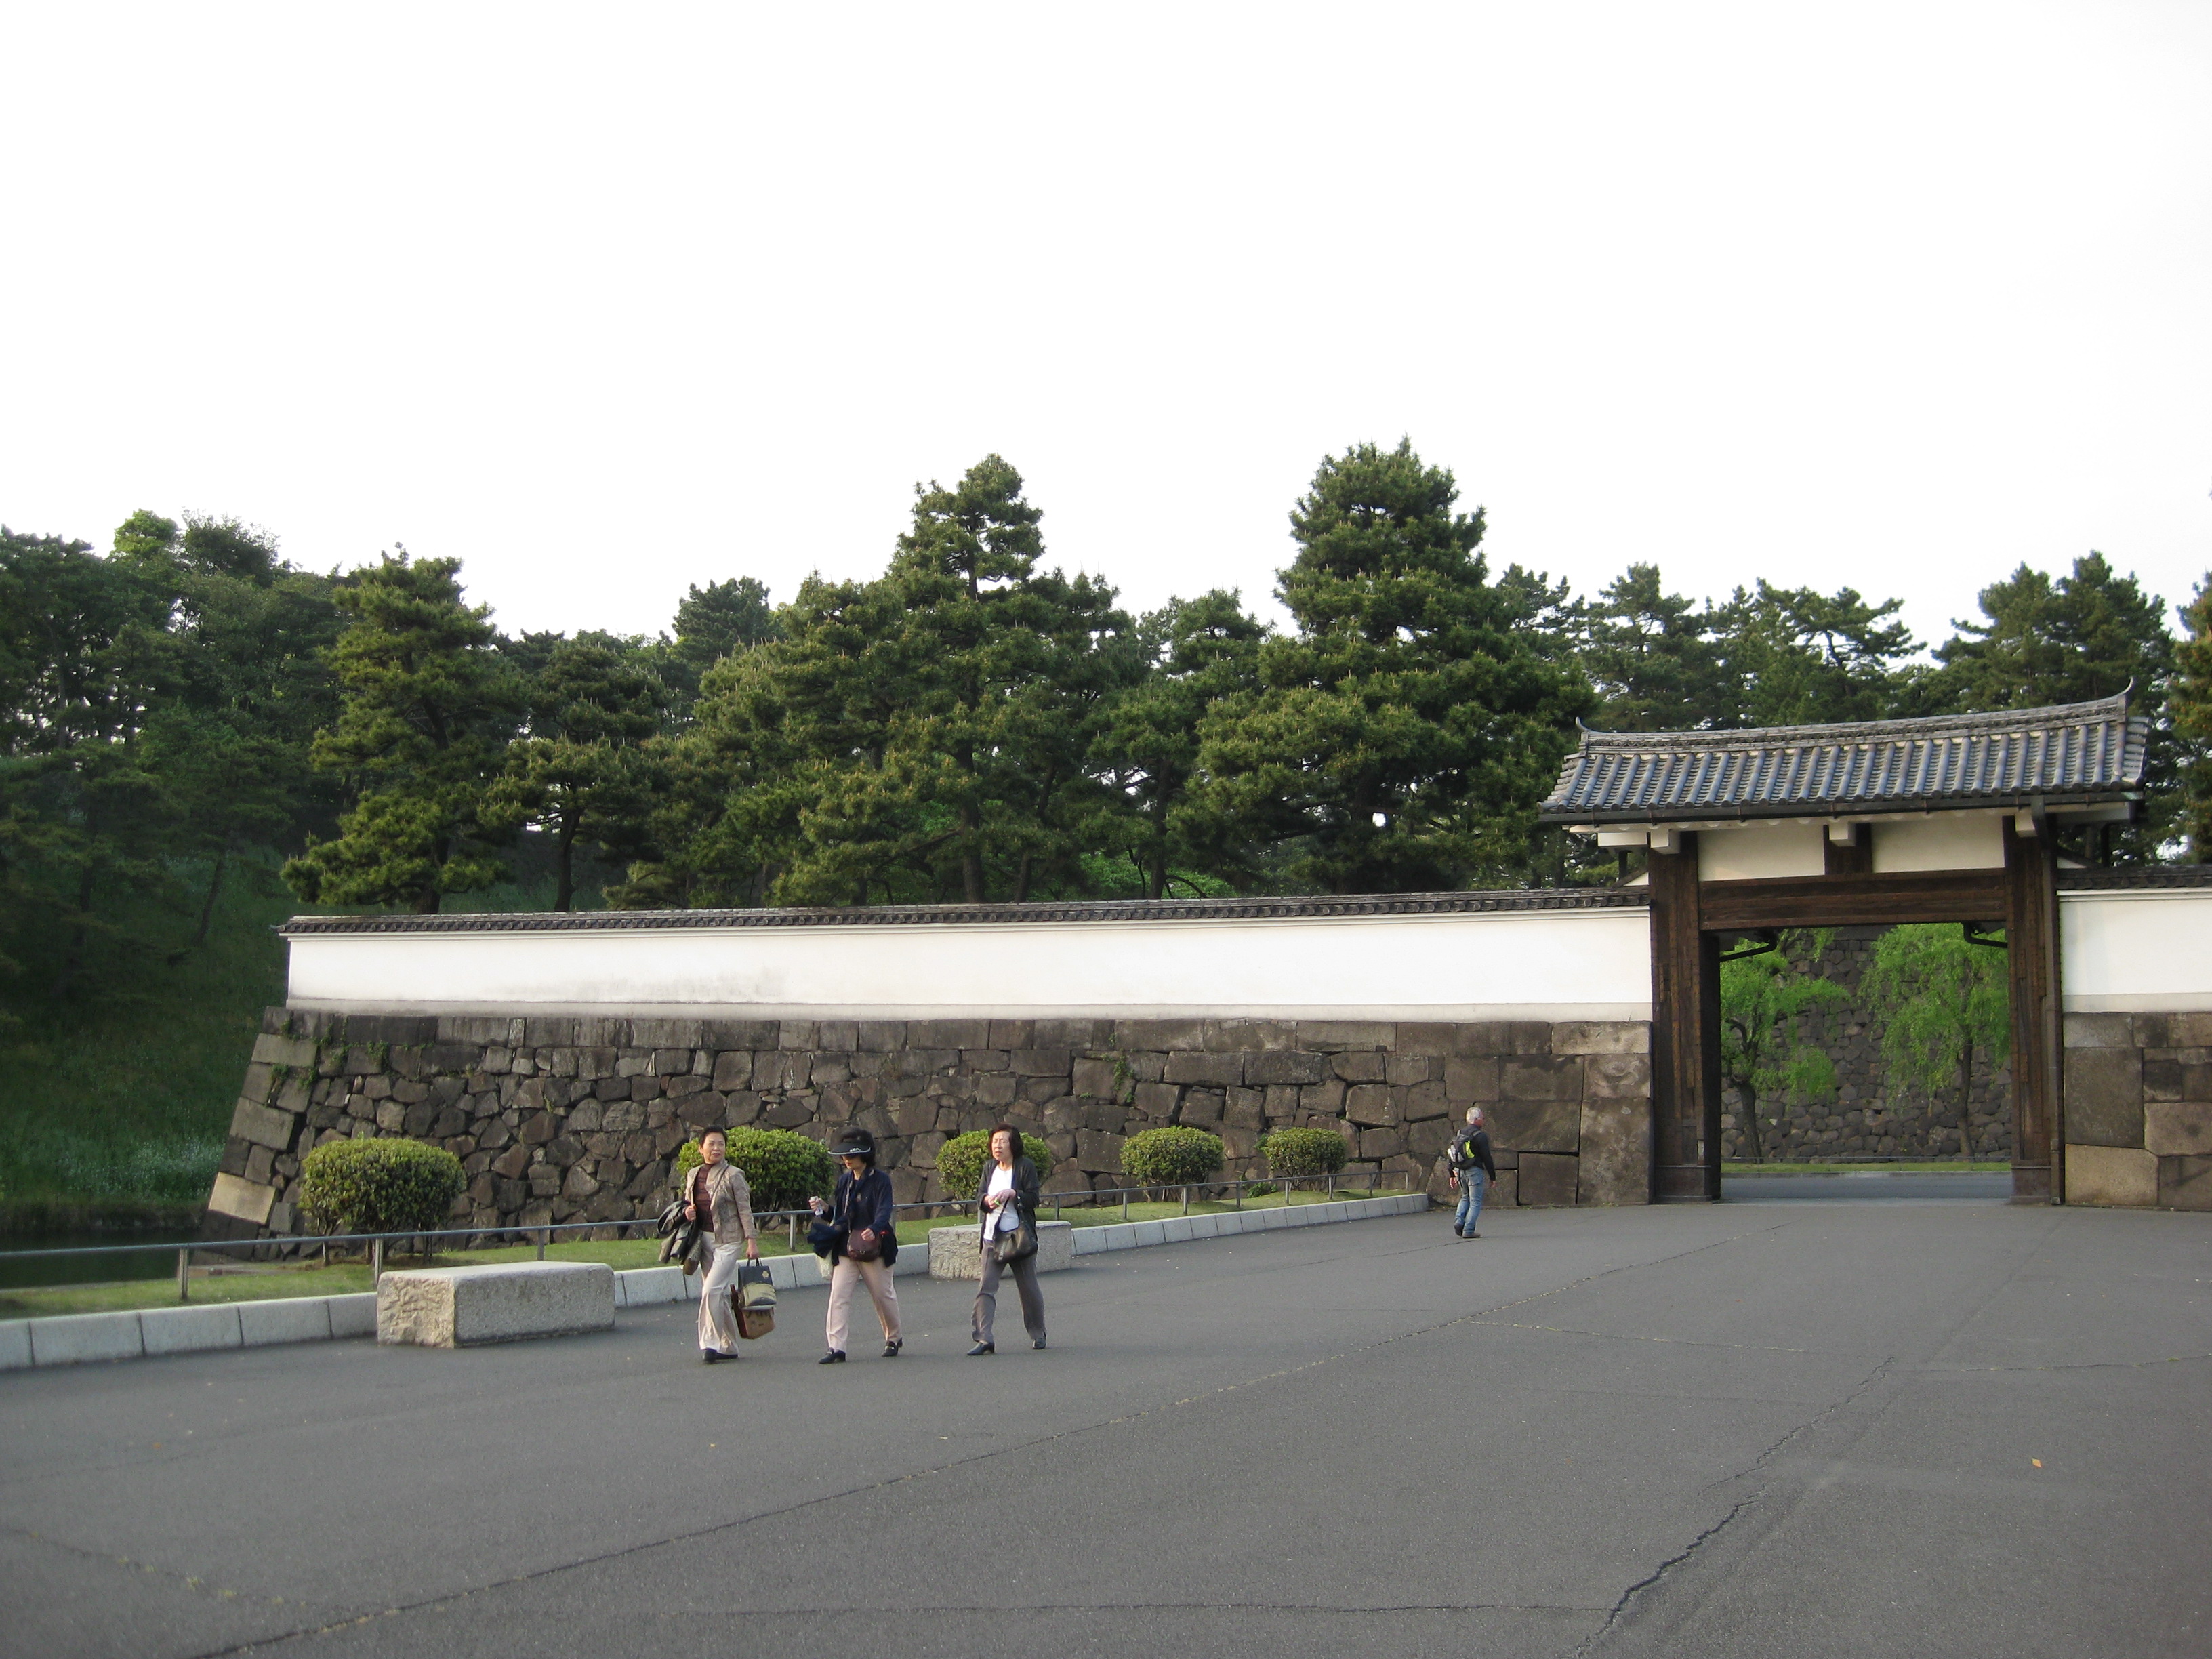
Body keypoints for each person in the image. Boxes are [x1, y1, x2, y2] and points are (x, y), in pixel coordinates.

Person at [806, 1128, 902, 1362]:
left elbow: (884, 1210)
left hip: (874, 1247)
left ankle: (894, 1337)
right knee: (838, 1296)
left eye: (852, 1155)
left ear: (865, 1154)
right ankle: (836, 1347)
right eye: (844, 1155)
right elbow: (841, 1214)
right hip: (846, 1246)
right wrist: (824, 1209)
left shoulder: (880, 1180)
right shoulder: (844, 1181)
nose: (846, 1159)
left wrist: (875, 1228)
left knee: (882, 1295)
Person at [968, 1123, 1046, 1355]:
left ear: (1013, 1144)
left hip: (1018, 1238)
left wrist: (1014, 1194)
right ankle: (984, 1339)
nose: (998, 1146)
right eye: (995, 1141)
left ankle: (1038, 1333)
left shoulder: (1024, 1167)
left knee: (1028, 1289)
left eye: (1002, 1141)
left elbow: (1033, 1198)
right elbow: (980, 1196)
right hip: (992, 1238)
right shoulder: (989, 1167)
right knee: (985, 1289)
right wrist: (986, 1201)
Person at [684, 1128, 760, 1362]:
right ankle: (729, 1346)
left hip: (729, 1240)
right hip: (704, 1239)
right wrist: (688, 1211)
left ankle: (709, 1344)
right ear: (701, 1148)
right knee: (718, 1292)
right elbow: (688, 1202)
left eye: (721, 1144)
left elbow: (745, 1210)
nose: (716, 1148)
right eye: (711, 1144)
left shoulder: (734, 1175)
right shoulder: (693, 1174)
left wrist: (751, 1241)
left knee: (711, 1290)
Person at [1446, 1107, 1497, 1238]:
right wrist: (1493, 1177)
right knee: (1475, 1201)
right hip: (1474, 1171)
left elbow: (1453, 1153)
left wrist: (1451, 1173)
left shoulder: (1460, 1133)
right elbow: (1486, 1157)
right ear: (1477, 1119)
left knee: (1465, 1197)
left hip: (1460, 1170)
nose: (1484, 1120)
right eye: (1483, 1118)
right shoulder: (1480, 1136)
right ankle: (1468, 1230)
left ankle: (1459, 1221)